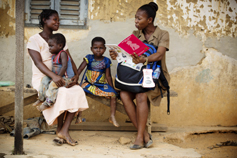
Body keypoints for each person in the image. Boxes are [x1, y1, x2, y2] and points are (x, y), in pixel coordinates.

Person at [110, 2, 170, 149]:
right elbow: (127, 56)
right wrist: (116, 55)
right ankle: (144, 135)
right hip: (135, 77)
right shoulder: (135, 34)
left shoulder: (163, 34)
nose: (136, 21)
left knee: (141, 95)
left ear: (149, 20)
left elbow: (159, 55)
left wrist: (145, 59)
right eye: (135, 18)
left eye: (139, 19)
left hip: (154, 78)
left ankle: (138, 137)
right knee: (124, 94)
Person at [27, 9, 89, 146]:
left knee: (77, 90)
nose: (58, 22)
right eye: (54, 19)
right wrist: (54, 76)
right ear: (45, 20)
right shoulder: (34, 40)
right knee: (63, 92)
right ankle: (61, 129)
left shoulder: (59, 40)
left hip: (60, 77)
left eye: (58, 20)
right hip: (44, 79)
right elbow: (38, 63)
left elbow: (69, 59)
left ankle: (63, 130)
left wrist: (76, 75)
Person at [76, 37, 119, 127]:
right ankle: (79, 116)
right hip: (88, 84)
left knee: (114, 95)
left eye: (101, 48)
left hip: (101, 86)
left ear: (105, 49)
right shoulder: (88, 58)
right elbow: (79, 70)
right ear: (91, 49)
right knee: (79, 91)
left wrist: (112, 88)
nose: (98, 50)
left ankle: (112, 116)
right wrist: (75, 80)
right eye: (95, 48)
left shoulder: (106, 61)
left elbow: (108, 76)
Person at [36, 33, 75, 112]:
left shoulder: (63, 53)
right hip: (57, 76)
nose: (49, 48)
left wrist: (57, 77)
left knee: (53, 85)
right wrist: (54, 77)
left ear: (60, 46)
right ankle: (41, 97)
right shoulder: (54, 56)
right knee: (44, 79)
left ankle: (48, 102)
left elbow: (64, 66)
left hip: (66, 78)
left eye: (51, 46)